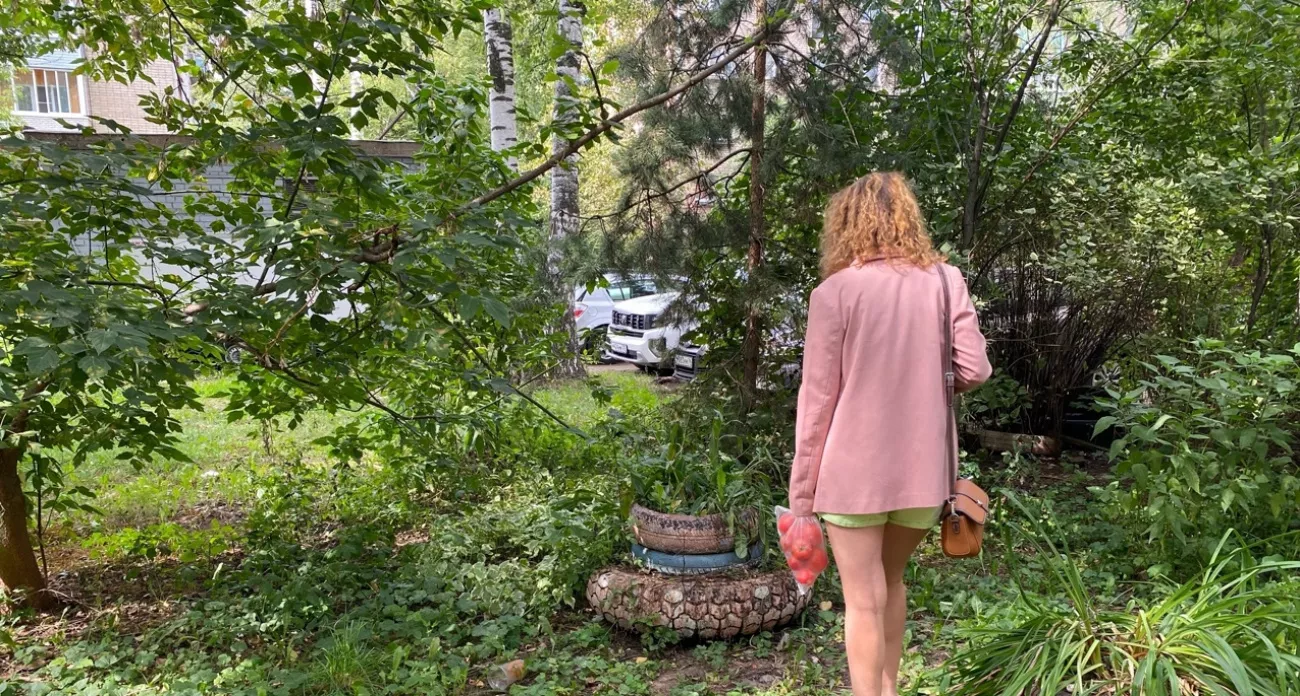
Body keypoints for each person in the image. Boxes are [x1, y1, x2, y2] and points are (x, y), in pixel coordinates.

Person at [788, 172, 992, 696]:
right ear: (907, 219)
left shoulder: (834, 293)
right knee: (892, 581)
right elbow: (975, 368)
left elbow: (816, 404)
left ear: (847, 225)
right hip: (923, 474)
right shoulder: (946, 281)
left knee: (862, 599)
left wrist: (801, 499)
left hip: (851, 476)